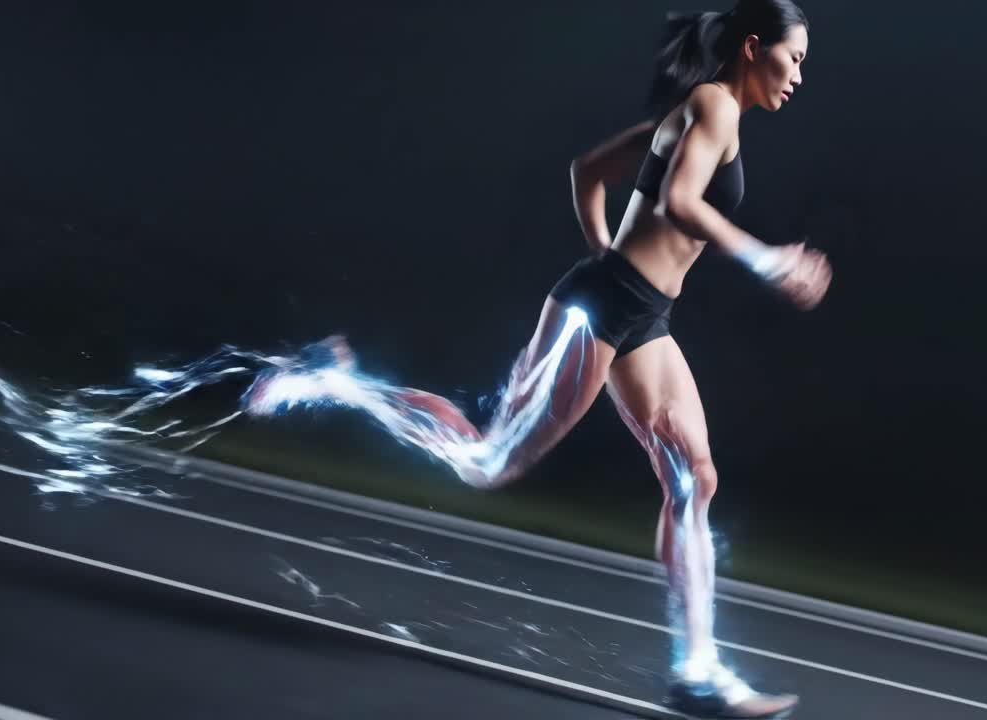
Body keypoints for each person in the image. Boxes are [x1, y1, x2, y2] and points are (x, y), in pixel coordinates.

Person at [266, 1, 828, 716]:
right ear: (755, 48)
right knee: (486, 461)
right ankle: (333, 379)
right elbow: (683, 202)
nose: (799, 76)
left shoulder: (705, 112)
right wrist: (762, 258)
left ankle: (697, 673)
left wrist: (611, 255)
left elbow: (587, 171)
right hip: (601, 309)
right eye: (795, 59)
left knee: (694, 476)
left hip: (642, 315)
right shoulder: (712, 105)